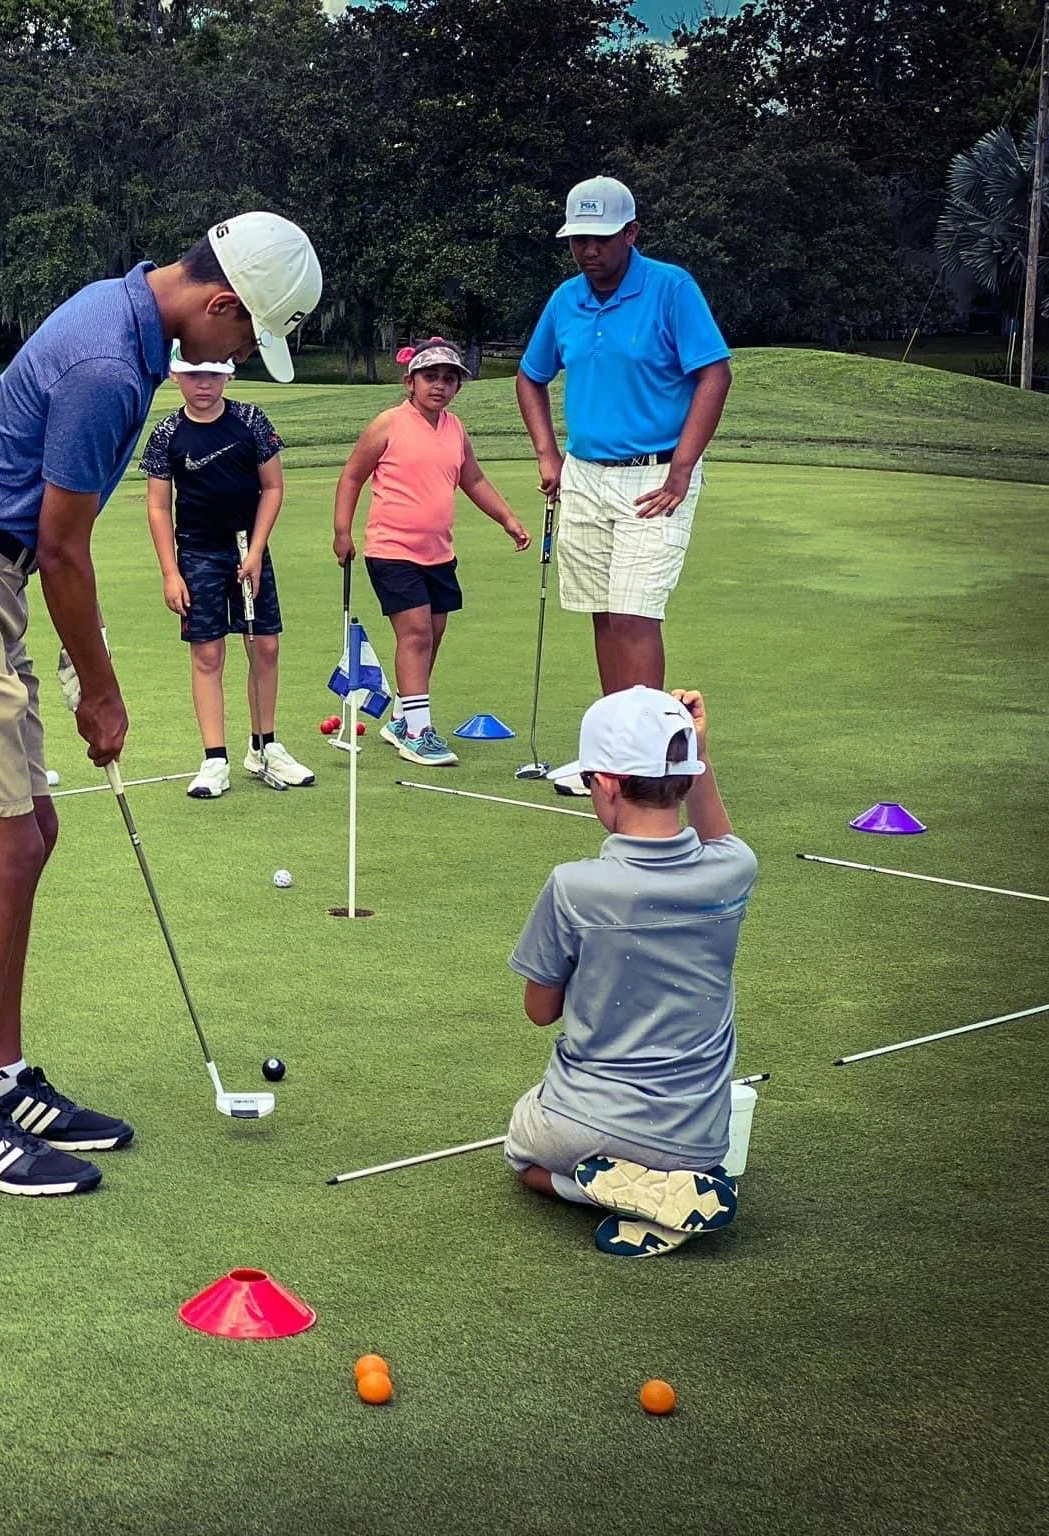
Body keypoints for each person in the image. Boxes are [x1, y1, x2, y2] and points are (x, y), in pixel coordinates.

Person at [0, 213, 321, 1196]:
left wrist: (84, 652)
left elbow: (52, 549)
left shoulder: (122, 320)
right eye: (245, 337)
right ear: (219, 303)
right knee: (3, 847)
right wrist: (101, 693)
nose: (236, 355)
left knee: (31, 830)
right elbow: (63, 543)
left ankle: (1, 1079)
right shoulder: (111, 365)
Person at [502, 686, 756, 1258]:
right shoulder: (735, 870)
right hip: (699, 1140)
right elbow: (722, 839)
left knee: (520, 1149)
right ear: (687, 778)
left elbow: (539, 1011)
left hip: (581, 1126)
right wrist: (701, 752)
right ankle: (667, 1191)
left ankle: (603, 1192)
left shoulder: (574, 885)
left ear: (610, 783)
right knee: (569, 1135)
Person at [515, 176, 732, 704]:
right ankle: (614, 746)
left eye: (602, 238)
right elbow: (530, 375)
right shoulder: (566, 299)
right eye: (578, 240)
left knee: (635, 613)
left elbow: (715, 375)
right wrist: (548, 455)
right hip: (585, 474)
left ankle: (642, 755)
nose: (588, 250)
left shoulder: (671, 288)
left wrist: (681, 469)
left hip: (656, 476)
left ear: (632, 232)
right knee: (605, 614)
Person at [332, 338, 529, 769]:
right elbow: (351, 478)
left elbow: (473, 480)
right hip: (391, 549)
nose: (439, 386)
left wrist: (508, 520)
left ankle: (403, 717)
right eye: (430, 377)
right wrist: (342, 532)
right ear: (410, 382)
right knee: (416, 633)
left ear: (458, 386)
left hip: (438, 554)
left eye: (449, 379)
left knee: (433, 634)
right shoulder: (388, 424)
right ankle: (419, 732)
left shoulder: (455, 429)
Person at [142, 345, 314, 797]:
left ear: (228, 377)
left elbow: (273, 487)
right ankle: (214, 759)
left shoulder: (251, 420)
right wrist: (169, 572)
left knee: (265, 646)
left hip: (247, 548)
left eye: (213, 375)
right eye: (194, 374)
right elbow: (159, 506)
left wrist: (256, 551)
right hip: (197, 553)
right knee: (207, 654)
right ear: (177, 376)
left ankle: (264, 747)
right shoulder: (166, 433)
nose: (204, 384)